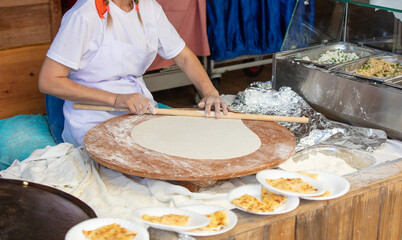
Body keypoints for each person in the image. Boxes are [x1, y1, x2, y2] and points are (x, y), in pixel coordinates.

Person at [38, 0, 228, 147]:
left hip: (139, 109)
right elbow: (49, 81)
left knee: (188, 146)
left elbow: (184, 56)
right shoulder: (85, 14)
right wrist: (116, 99)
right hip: (91, 116)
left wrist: (210, 93)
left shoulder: (149, 7)